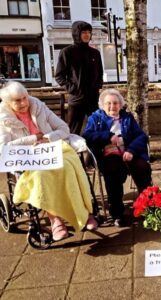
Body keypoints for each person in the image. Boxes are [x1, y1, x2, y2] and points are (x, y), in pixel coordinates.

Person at [0, 81, 98, 241]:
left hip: (53, 150)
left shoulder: (38, 107)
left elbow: (64, 129)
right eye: (17, 101)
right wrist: (33, 139)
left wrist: (48, 137)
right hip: (27, 159)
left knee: (68, 168)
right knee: (40, 176)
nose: (24, 103)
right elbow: (3, 148)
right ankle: (55, 220)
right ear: (7, 102)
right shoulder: (2, 119)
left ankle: (83, 214)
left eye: (25, 97)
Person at [83, 89, 152, 227]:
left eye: (115, 103)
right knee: (113, 172)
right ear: (102, 105)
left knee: (143, 167)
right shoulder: (95, 118)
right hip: (108, 155)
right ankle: (117, 213)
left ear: (120, 105)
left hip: (128, 153)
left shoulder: (127, 118)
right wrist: (108, 136)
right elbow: (87, 135)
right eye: (108, 103)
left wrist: (131, 150)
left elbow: (141, 136)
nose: (112, 106)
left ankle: (146, 205)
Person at [55, 20, 103, 135]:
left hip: (93, 98)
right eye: (83, 32)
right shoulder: (67, 52)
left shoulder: (95, 53)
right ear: (77, 34)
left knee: (97, 128)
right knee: (73, 131)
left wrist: (97, 86)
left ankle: (93, 152)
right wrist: (73, 89)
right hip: (77, 100)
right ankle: (74, 152)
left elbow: (100, 73)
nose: (87, 35)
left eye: (89, 32)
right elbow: (59, 76)